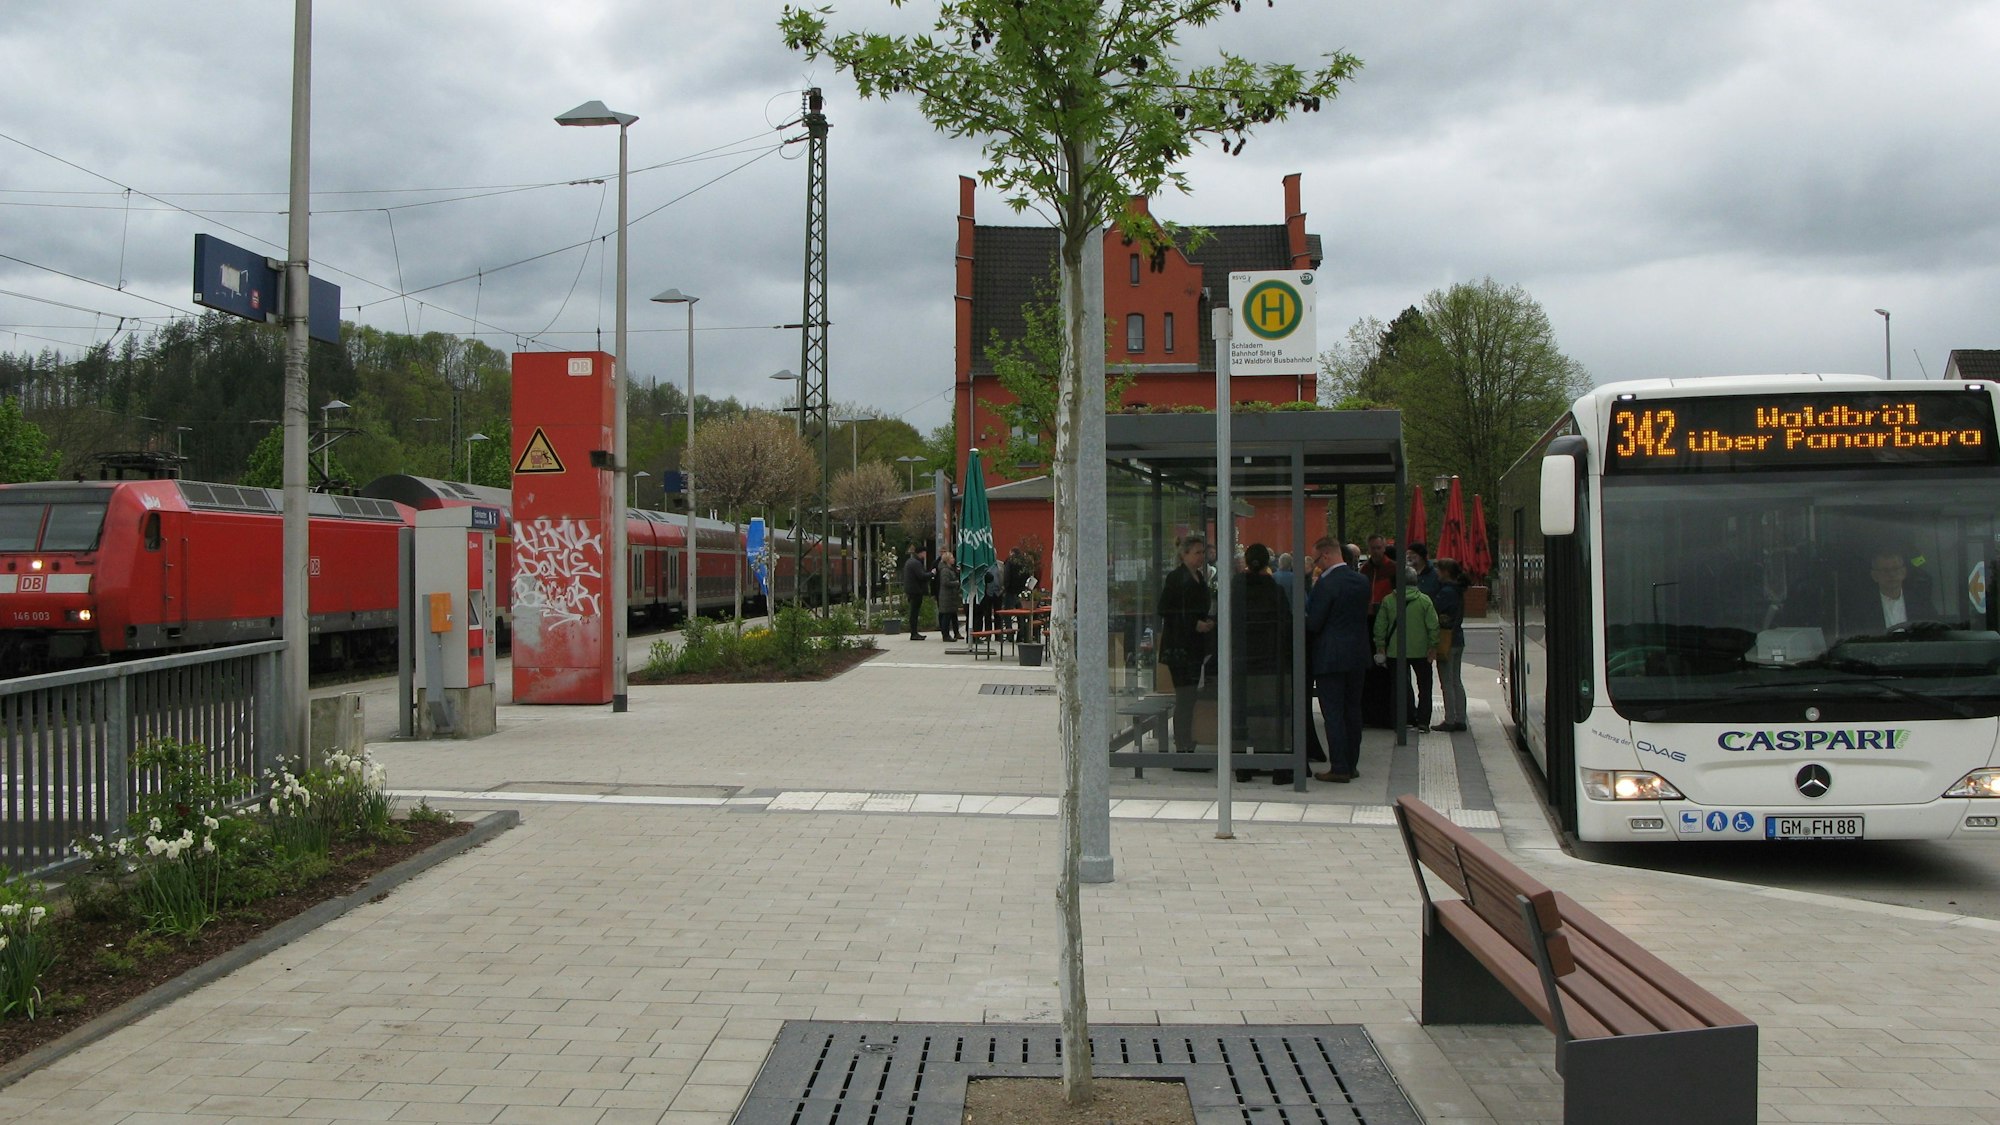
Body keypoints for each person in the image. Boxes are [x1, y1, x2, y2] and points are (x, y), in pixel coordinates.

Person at [1306, 538, 1371, 783]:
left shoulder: (1326, 583)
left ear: (1325, 555)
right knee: (1353, 711)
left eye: (1316, 559)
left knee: (1333, 713)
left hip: (1330, 656)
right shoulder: (1361, 581)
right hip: (1357, 655)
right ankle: (1351, 763)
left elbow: (1314, 622)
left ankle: (1339, 767)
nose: (1316, 565)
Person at [1233, 543, 1295, 785]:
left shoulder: (1236, 589)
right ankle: (1278, 766)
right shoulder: (1275, 591)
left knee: (1243, 713)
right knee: (1272, 712)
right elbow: (1285, 624)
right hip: (1271, 662)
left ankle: (1243, 767)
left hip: (1242, 660)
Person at [1157, 534, 1215, 755]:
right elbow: (1166, 609)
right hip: (1179, 645)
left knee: (1190, 695)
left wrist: (1207, 621)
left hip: (1195, 644)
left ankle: (1185, 738)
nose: (1201, 557)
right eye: (1197, 553)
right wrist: (1193, 623)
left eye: (1203, 552)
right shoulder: (1176, 578)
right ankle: (1182, 740)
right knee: (1185, 694)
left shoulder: (1199, 576)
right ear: (1184, 554)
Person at [1374, 560, 1442, 733]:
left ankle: (1402, 720)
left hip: (1396, 651)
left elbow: (1380, 626)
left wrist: (1380, 645)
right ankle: (1423, 721)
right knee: (1425, 687)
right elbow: (1433, 626)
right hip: (1421, 651)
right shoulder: (1425, 601)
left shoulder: (1388, 600)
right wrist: (1433, 646)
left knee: (1399, 687)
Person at [1431, 558, 1470, 732]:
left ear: (1446, 572)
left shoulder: (1446, 592)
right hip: (1458, 638)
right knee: (1456, 680)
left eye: (1439, 570)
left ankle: (1450, 719)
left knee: (1446, 681)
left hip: (1446, 638)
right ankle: (1460, 717)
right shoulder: (1458, 590)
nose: (1437, 574)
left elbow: (1434, 610)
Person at [1406, 543, 1441, 729]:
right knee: (1409, 684)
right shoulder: (1406, 575)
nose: (1409, 557)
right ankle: (1412, 717)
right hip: (1411, 643)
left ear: (1422, 556)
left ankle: (1423, 719)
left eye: (1412, 554)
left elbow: (1434, 621)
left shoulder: (1433, 577)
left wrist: (1433, 645)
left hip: (1422, 642)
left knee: (1424, 685)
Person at [901, 545, 932, 641]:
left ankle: (914, 632)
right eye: (925, 553)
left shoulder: (911, 562)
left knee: (914, 612)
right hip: (916, 590)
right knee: (914, 612)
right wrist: (932, 574)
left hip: (912, 590)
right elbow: (921, 576)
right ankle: (914, 633)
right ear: (921, 553)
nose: (926, 555)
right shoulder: (916, 563)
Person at [935, 550, 962, 641]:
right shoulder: (945, 570)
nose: (953, 559)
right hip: (947, 596)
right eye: (951, 558)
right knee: (946, 616)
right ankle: (946, 635)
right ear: (947, 560)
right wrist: (956, 583)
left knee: (953, 615)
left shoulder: (950, 569)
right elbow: (945, 582)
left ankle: (956, 633)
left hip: (951, 596)